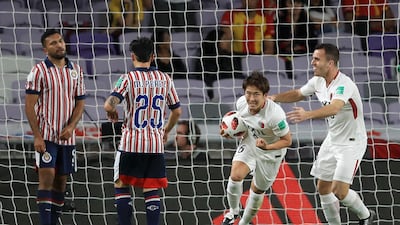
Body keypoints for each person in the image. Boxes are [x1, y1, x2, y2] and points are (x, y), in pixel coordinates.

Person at [269, 43, 375, 224]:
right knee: (323, 187)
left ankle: (366, 216)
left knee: (340, 191)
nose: (312, 62)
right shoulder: (318, 81)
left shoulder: (344, 85)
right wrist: (274, 98)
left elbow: (335, 108)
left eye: (317, 59)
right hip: (332, 139)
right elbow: (298, 93)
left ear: (330, 63)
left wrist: (307, 114)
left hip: (352, 142)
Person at [104, 37, 182, 225]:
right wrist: (166, 130)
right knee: (151, 189)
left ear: (132, 57)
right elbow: (177, 111)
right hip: (155, 144)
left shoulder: (128, 78)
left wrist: (112, 111)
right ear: (153, 57)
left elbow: (108, 105)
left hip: (131, 142)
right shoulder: (165, 79)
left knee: (121, 184)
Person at [25, 29, 86, 225]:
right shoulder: (39, 71)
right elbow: (29, 105)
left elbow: (80, 103)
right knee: (47, 179)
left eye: (60, 41)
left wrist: (71, 126)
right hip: (46, 136)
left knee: (61, 181)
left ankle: (54, 220)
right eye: (53, 43)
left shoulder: (76, 70)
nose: (59, 45)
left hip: (68, 137)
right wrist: (37, 136)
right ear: (45, 50)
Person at [220, 71, 292, 225]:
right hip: (252, 141)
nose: (251, 99)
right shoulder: (241, 103)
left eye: (256, 94)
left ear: (265, 95)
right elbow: (245, 124)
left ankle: (244, 222)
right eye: (248, 93)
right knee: (235, 176)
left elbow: (287, 140)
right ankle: (233, 212)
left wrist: (268, 147)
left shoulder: (275, 115)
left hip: (272, 152)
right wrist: (230, 132)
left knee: (257, 190)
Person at [195, 28, 245, 99]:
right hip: (215, 95)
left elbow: (238, 76)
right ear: (216, 42)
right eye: (224, 39)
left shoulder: (232, 58)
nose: (228, 42)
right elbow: (206, 82)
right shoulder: (203, 61)